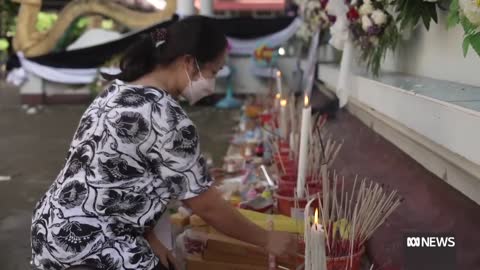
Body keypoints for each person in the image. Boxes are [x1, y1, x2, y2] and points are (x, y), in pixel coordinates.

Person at [31, 15, 296, 270]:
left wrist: (150, 237)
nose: (212, 86)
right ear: (189, 63)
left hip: (51, 226)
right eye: (213, 71)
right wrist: (268, 240)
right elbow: (206, 206)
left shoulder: (116, 91)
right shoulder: (167, 115)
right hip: (91, 242)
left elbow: (113, 174)